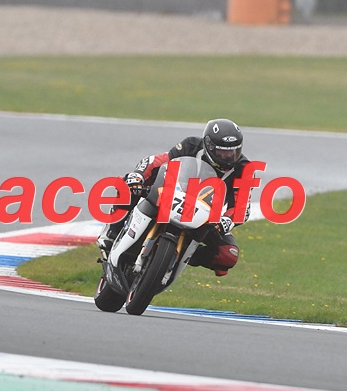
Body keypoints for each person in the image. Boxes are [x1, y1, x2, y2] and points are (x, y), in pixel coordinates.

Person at [96, 118, 252, 277]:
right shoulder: (191, 145)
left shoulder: (244, 168)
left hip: (206, 215)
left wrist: (227, 220)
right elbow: (157, 161)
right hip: (173, 195)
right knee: (128, 183)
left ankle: (184, 252)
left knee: (228, 254)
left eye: (234, 151)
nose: (229, 156)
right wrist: (138, 176)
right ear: (209, 146)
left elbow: (242, 206)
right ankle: (111, 231)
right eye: (222, 151)